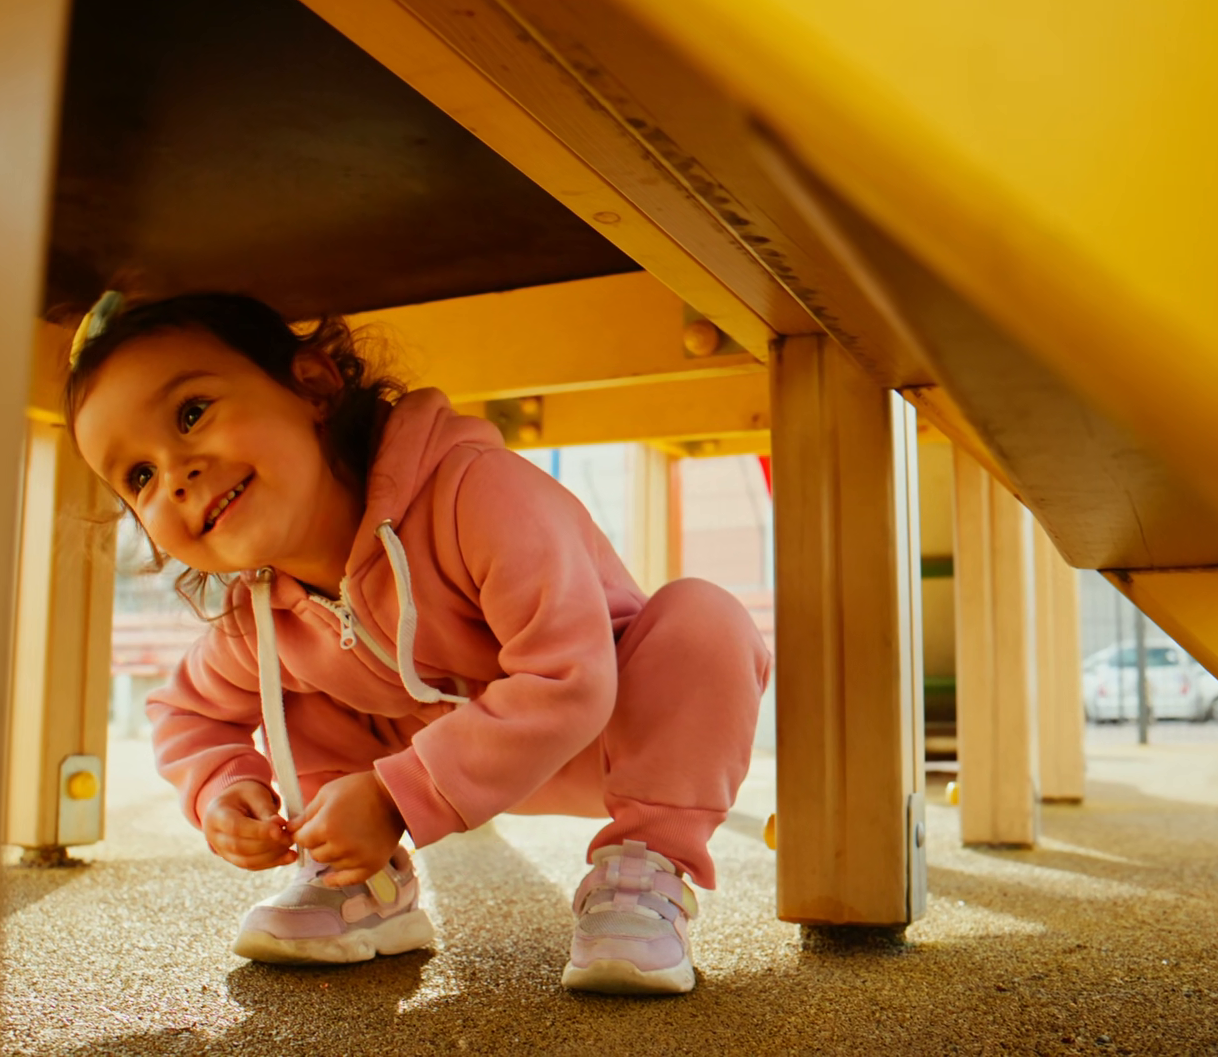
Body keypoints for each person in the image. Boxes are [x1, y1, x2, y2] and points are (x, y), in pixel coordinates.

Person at [65, 290, 769, 995]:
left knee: (705, 621)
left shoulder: (478, 492)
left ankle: (642, 871)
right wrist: (222, 789)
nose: (176, 475)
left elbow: (571, 680)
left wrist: (395, 796)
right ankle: (357, 877)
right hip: (430, 751)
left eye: (192, 413)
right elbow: (185, 712)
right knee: (296, 678)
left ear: (313, 385)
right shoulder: (260, 609)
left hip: (612, 738)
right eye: (139, 476)